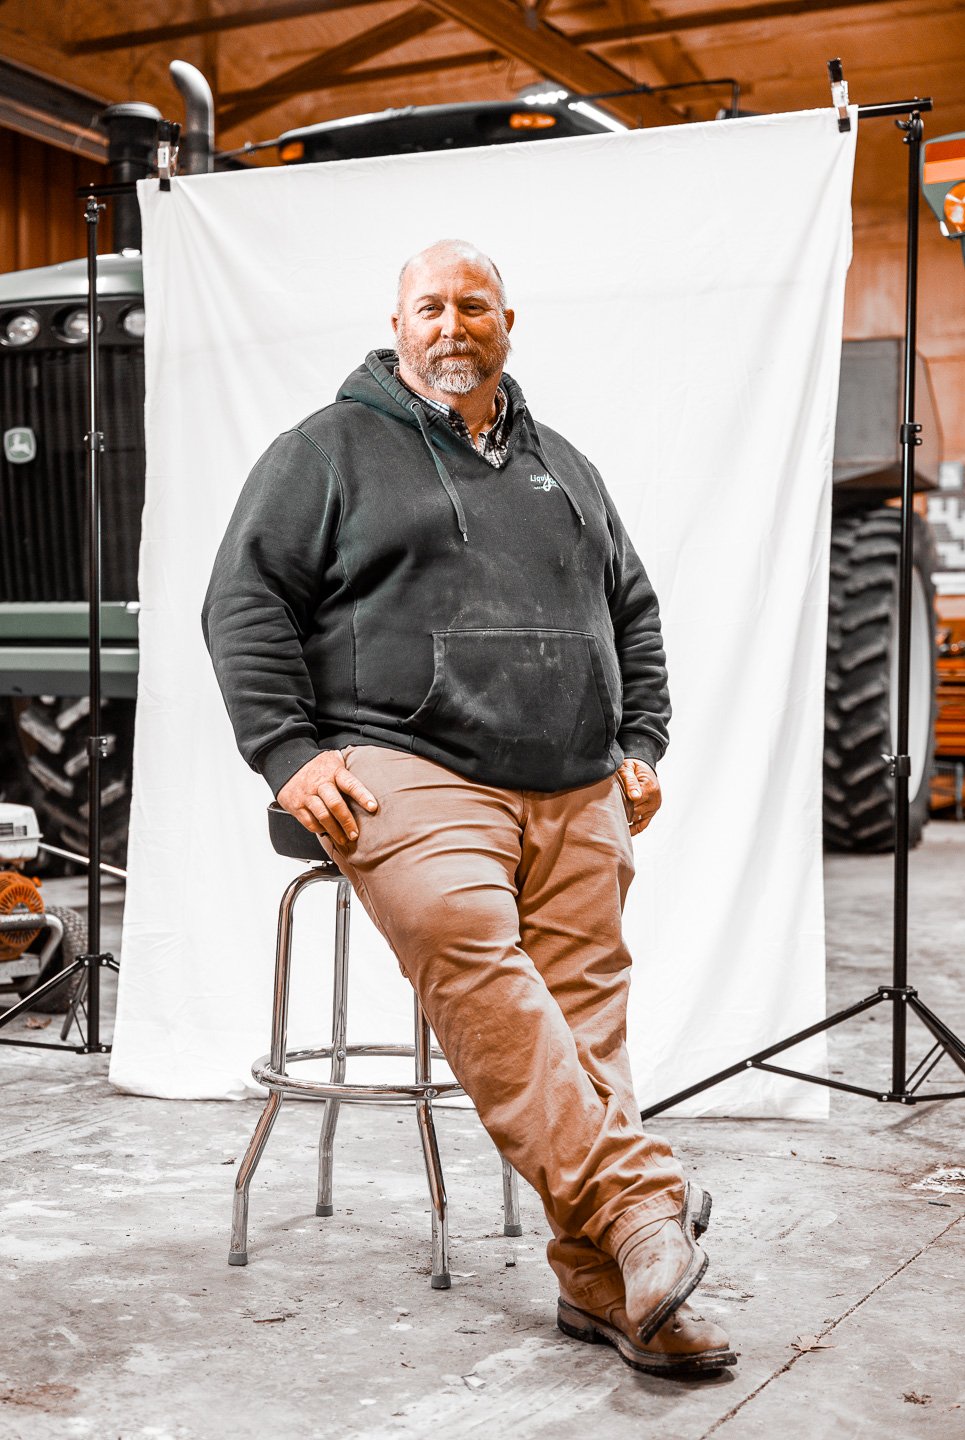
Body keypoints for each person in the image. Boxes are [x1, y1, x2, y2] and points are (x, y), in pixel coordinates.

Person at [203, 239, 736, 1378]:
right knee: (462, 932)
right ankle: (639, 1208)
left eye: (474, 306)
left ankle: (607, 1288)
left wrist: (640, 741)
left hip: (574, 777)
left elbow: (630, 610)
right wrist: (287, 754)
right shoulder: (326, 450)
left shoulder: (564, 465)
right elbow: (243, 600)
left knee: (587, 1017)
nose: (453, 325)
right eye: (431, 307)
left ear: (507, 322)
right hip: (404, 762)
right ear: (397, 325)